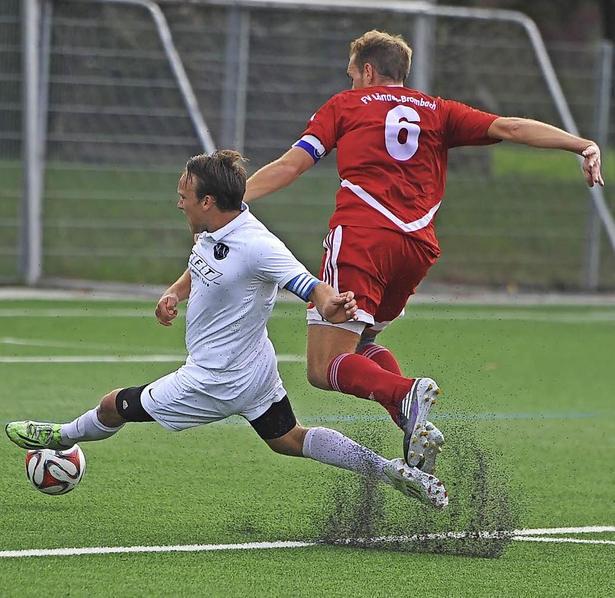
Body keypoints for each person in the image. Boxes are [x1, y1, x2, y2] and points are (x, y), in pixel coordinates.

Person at [243, 29, 606, 475]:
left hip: (361, 238)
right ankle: (409, 416)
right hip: (415, 249)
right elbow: (511, 127)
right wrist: (582, 144)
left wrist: (234, 198)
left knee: (324, 367)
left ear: (368, 71)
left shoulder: (346, 105)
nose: (351, 81)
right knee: (365, 338)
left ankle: (404, 394)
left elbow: (291, 165)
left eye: (353, 74)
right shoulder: (438, 110)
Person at [5, 149, 448, 510]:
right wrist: (175, 293)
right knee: (289, 439)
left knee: (113, 405)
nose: (178, 202)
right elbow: (201, 263)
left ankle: (59, 437)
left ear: (207, 202)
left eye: (184, 195)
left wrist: (332, 302)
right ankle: (391, 470)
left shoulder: (258, 245)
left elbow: (307, 284)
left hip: (215, 379)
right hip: (254, 367)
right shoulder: (214, 226)